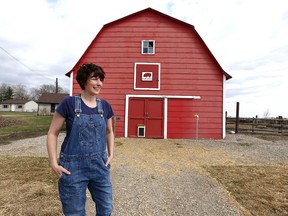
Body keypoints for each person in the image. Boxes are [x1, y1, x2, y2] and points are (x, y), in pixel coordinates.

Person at [47, 63, 114, 216]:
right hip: (73, 168)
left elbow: (110, 132)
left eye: (101, 80)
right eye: (95, 79)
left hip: (100, 166)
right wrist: (53, 163)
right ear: (84, 81)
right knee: (74, 212)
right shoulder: (68, 103)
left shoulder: (105, 106)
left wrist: (111, 154)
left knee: (106, 209)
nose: (99, 83)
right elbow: (52, 133)